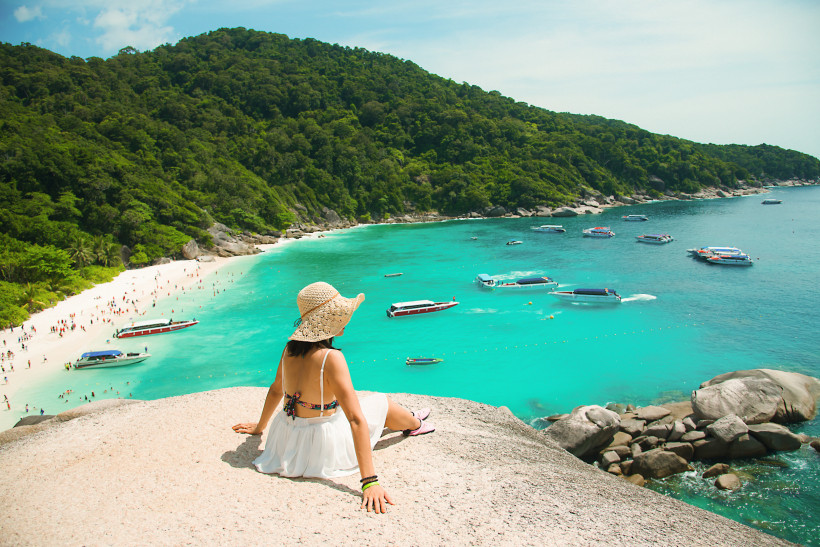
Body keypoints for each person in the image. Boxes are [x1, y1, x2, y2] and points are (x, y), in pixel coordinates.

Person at [233, 281, 434, 513]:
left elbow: (276, 389)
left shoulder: (289, 349)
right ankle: (415, 423)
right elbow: (355, 419)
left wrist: (260, 428)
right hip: (322, 447)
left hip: (284, 443)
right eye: (340, 315)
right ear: (329, 320)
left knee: (364, 402)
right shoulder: (331, 358)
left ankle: (412, 419)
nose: (345, 320)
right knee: (379, 401)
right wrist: (370, 482)